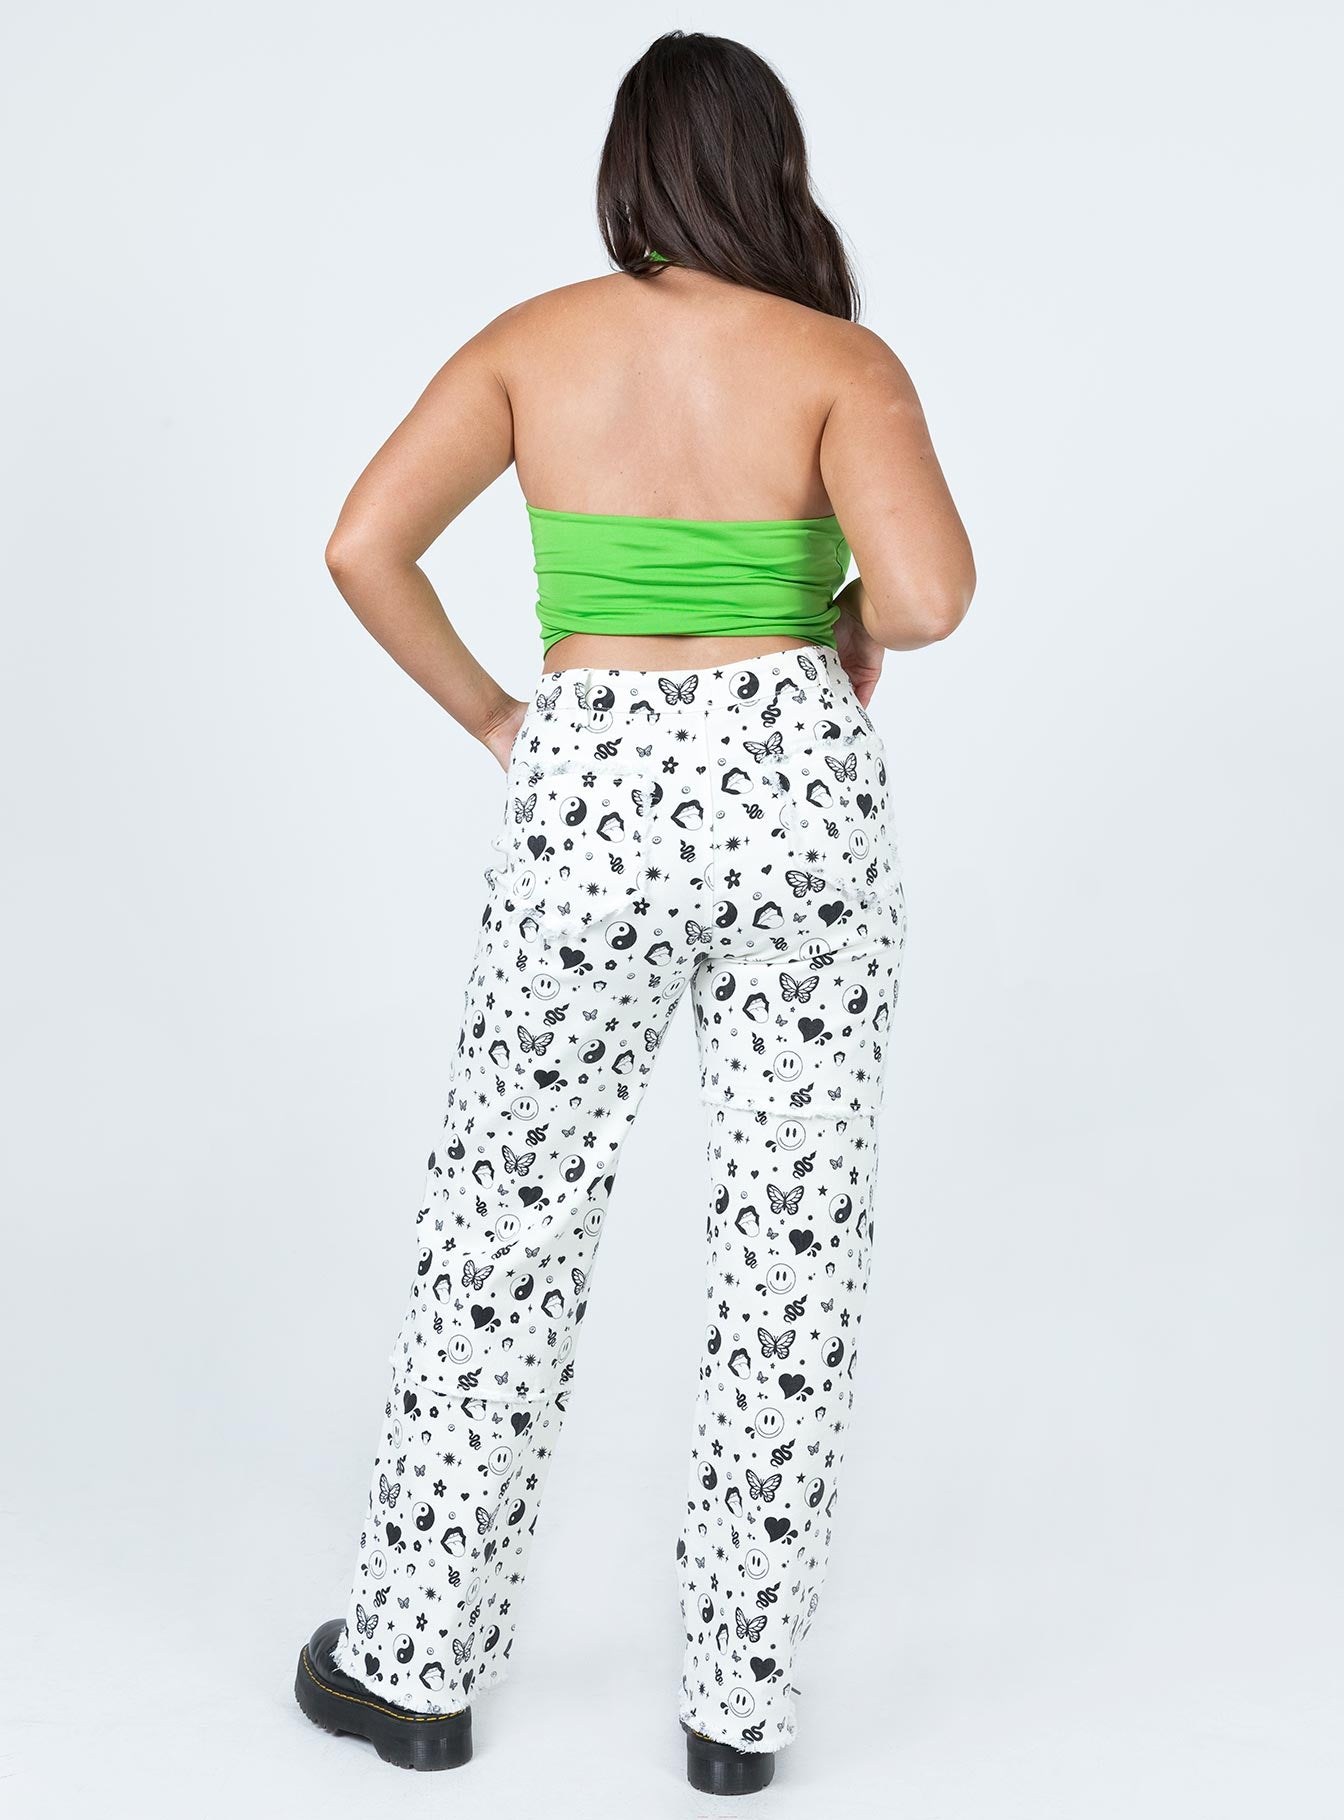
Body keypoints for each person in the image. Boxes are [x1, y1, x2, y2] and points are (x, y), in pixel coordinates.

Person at [293, 28, 974, 1797]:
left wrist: (501, 721)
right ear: (770, 170)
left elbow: (363, 543)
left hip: (590, 780)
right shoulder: (839, 361)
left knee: (502, 1231)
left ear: (629, 174)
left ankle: (412, 1670)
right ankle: (737, 1718)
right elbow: (927, 597)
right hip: (799, 790)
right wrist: (835, 628)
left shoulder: (532, 343)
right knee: (791, 1257)